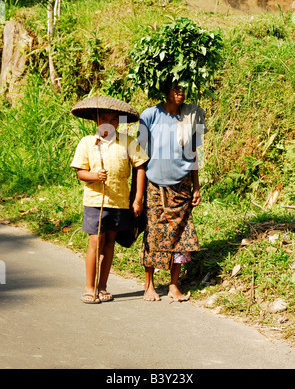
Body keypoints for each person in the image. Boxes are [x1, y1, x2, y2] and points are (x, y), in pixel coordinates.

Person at [71, 96, 149, 304]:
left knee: (109, 244)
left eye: (114, 119)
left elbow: (140, 168)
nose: (109, 122)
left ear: (119, 122)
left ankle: (102, 286)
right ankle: (89, 287)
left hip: (120, 201)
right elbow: (81, 173)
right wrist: (94, 176)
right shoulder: (87, 142)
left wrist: (138, 199)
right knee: (96, 242)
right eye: (104, 118)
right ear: (96, 120)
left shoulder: (128, 142)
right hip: (96, 201)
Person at [138, 82, 207, 302]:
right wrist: (138, 196)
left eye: (184, 88)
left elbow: (195, 152)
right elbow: (138, 154)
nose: (181, 92)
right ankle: (148, 285)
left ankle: (173, 285)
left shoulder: (192, 115)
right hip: (155, 186)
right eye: (175, 88)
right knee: (154, 234)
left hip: (182, 186)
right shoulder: (149, 115)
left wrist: (196, 185)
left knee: (181, 237)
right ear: (165, 90)